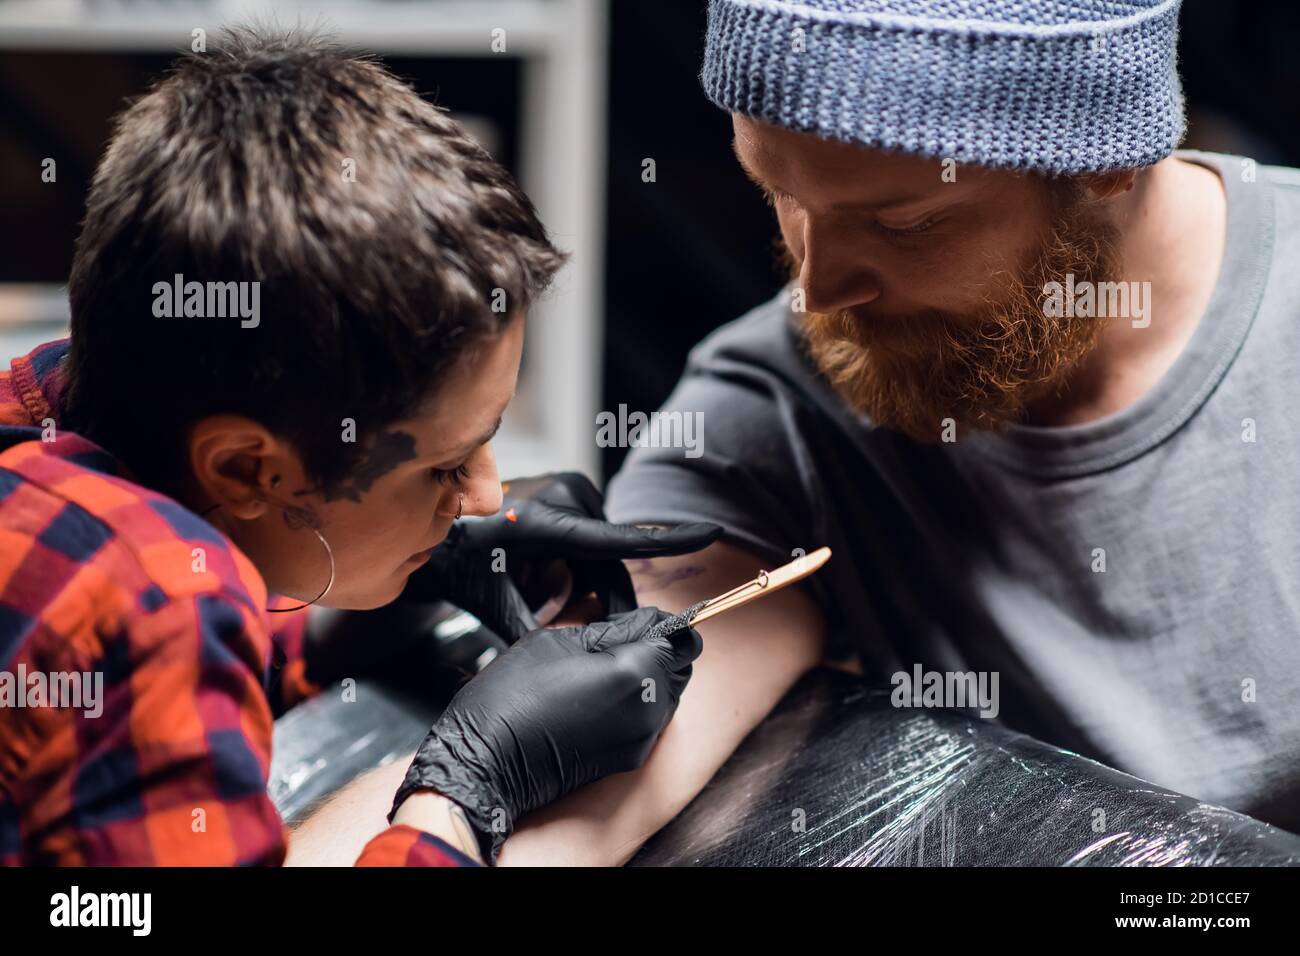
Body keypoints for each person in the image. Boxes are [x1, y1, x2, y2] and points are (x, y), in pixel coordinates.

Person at [492, 0, 1300, 862]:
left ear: (1107, 162)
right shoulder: (769, 413)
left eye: (902, 224)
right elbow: (633, 741)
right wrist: (455, 793)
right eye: (779, 195)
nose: (818, 287)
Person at [0, 28, 718, 867]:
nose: (489, 498)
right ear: (244, 470)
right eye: (447, 465)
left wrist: (330, 631)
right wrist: (464, 791)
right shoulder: (151, 606)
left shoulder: (47, 420)